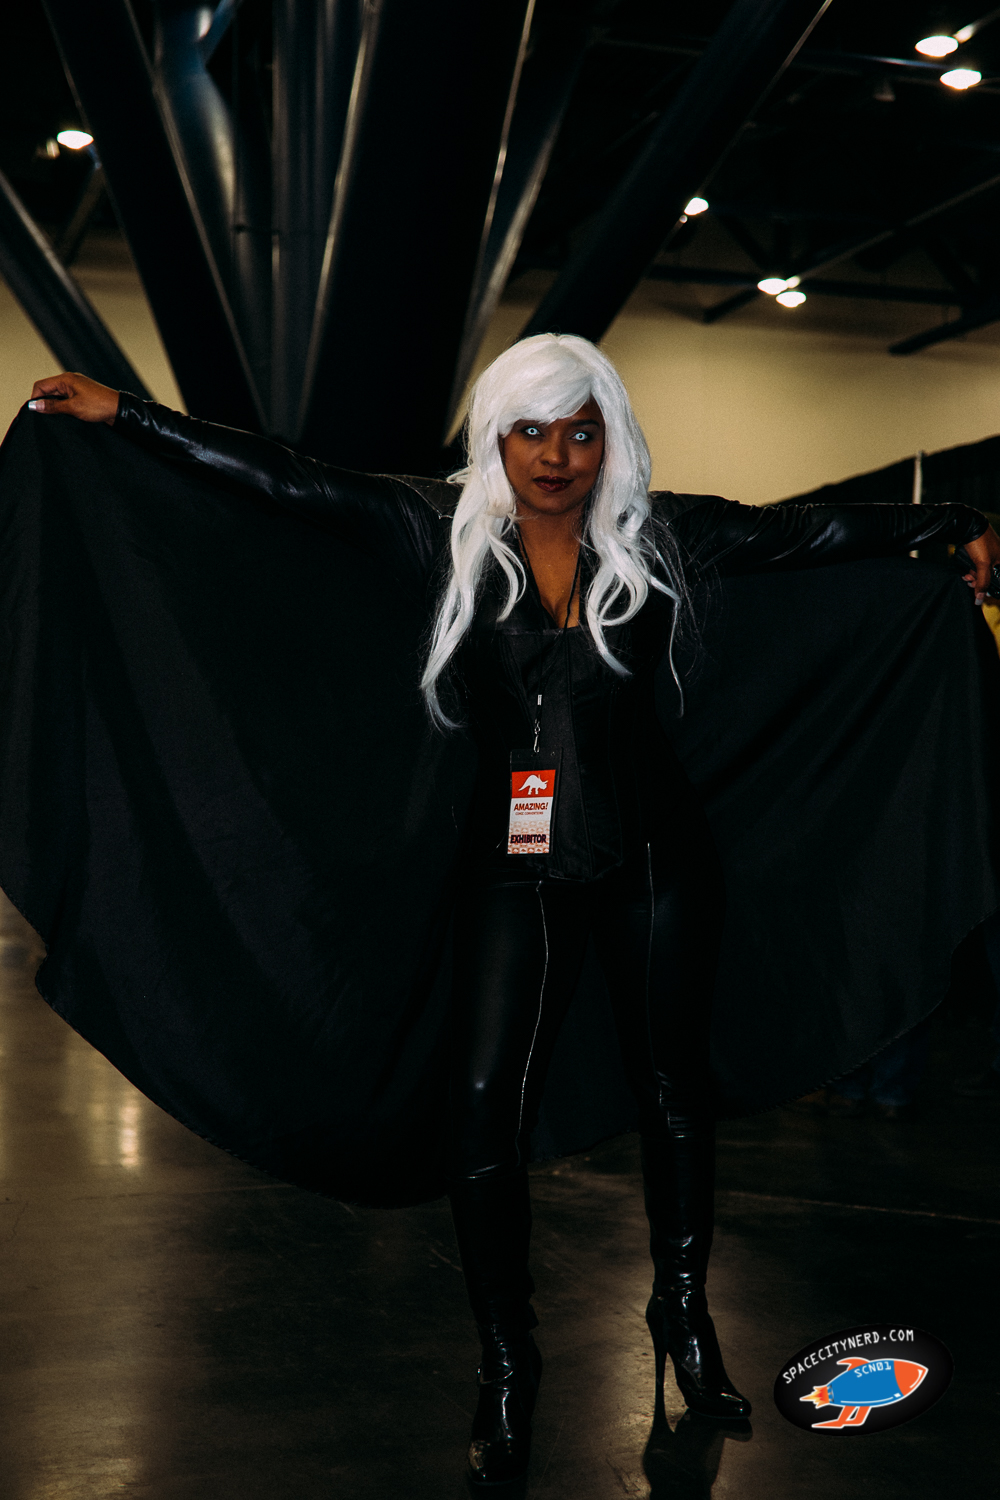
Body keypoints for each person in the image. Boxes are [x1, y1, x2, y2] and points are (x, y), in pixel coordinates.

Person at [20, 335, 1000, 1486]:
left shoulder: (661, 536)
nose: (555, 455)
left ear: (608, 439)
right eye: (530, 430)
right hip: (511, 866)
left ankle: (683, 1316)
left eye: (580, 431)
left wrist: (952, 522)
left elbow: (807, 534)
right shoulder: (438, 529)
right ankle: (505, 1362)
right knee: (482, 1112)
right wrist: (129, 418)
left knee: (673, 1091)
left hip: (653, 860)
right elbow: (290, 482)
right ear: (496, 435)